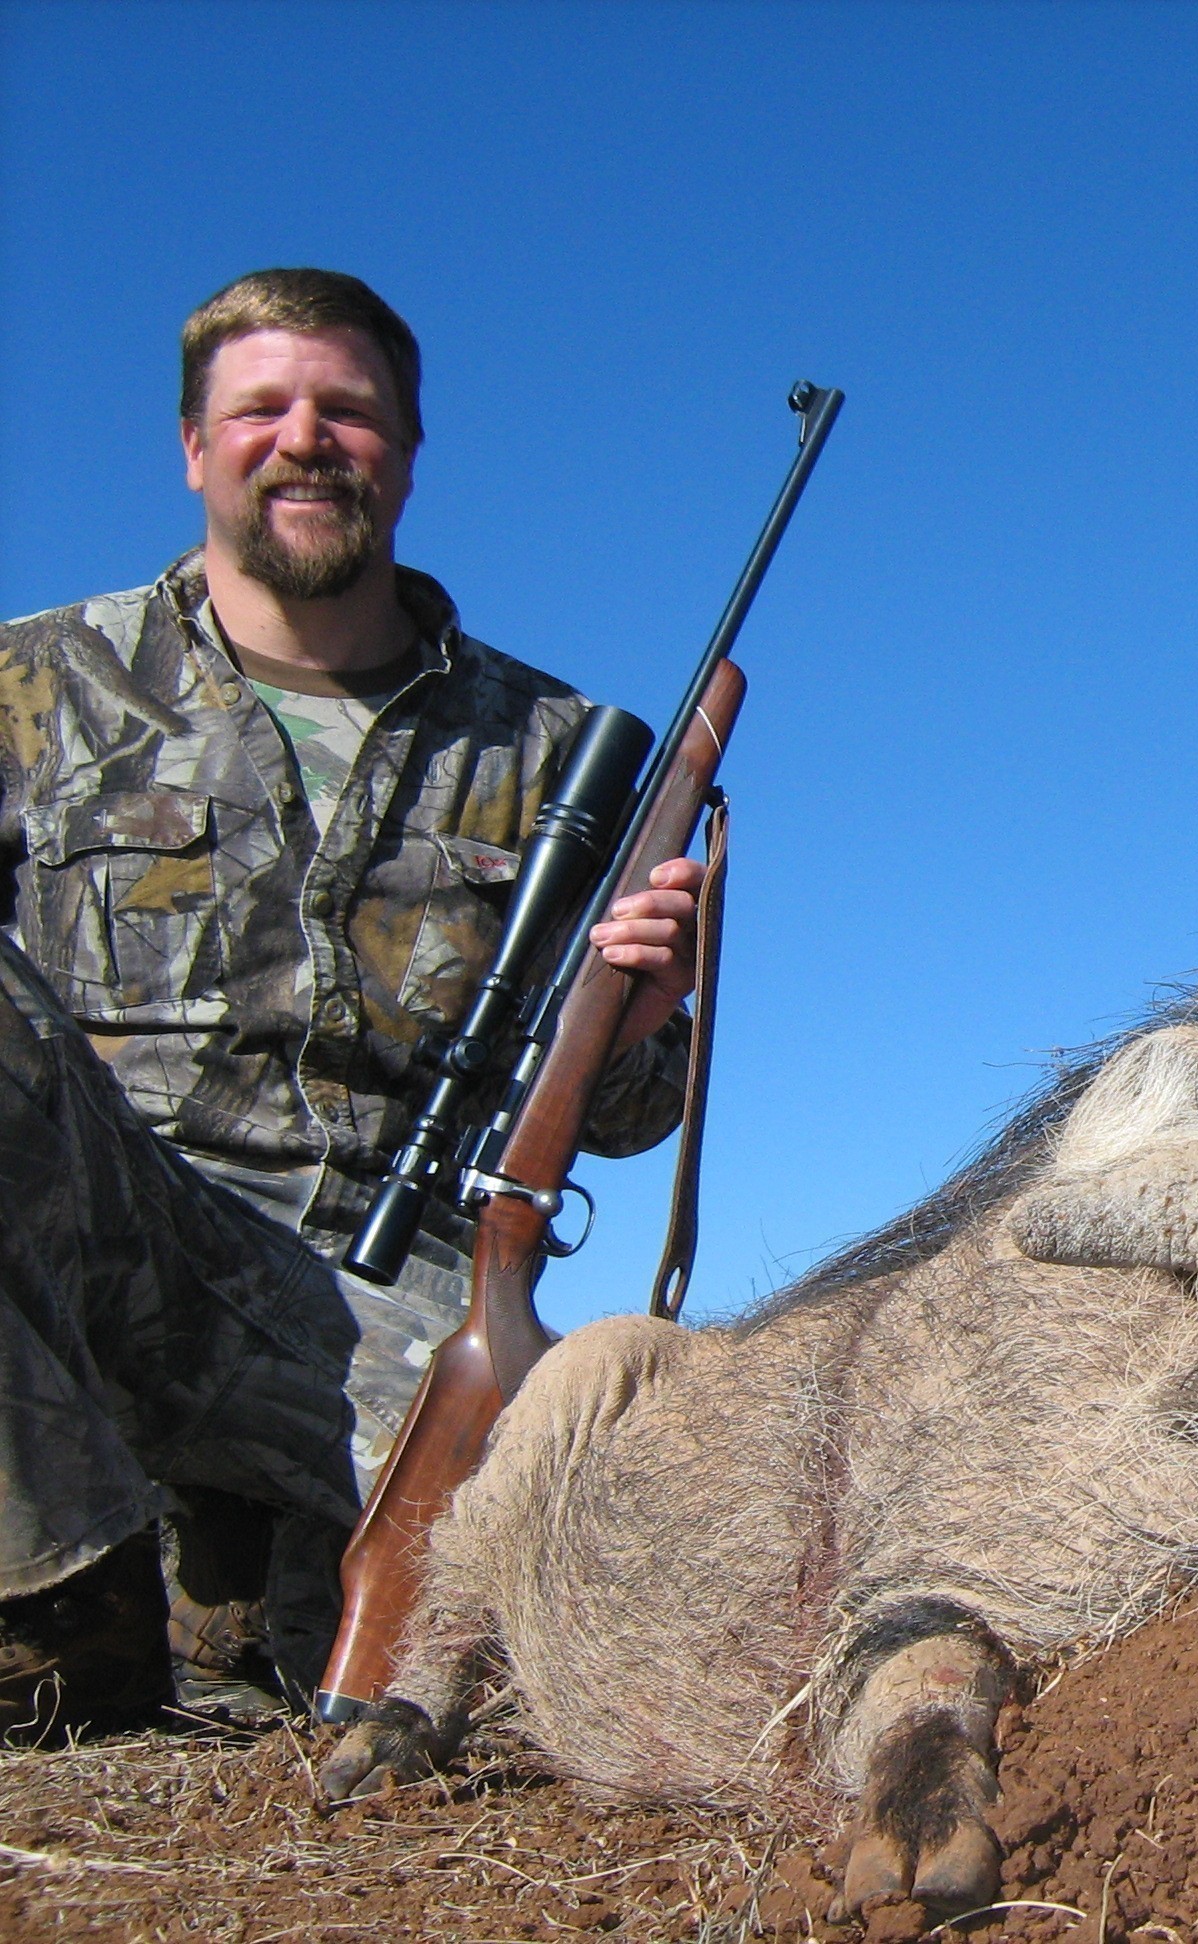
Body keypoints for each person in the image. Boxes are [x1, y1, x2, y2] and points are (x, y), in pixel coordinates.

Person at [0, 269, 704, 1730]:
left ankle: (247, 1572)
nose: (306, 438)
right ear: (194, 445)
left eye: (350, 412)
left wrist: (637, 1027)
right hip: (101, 1247)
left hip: (387, 1302)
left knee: (629, 1532)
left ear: (406, 447)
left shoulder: (553, 748)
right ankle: (64, 1607)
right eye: (261, 408)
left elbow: (623, 1120)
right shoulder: (33, 684)